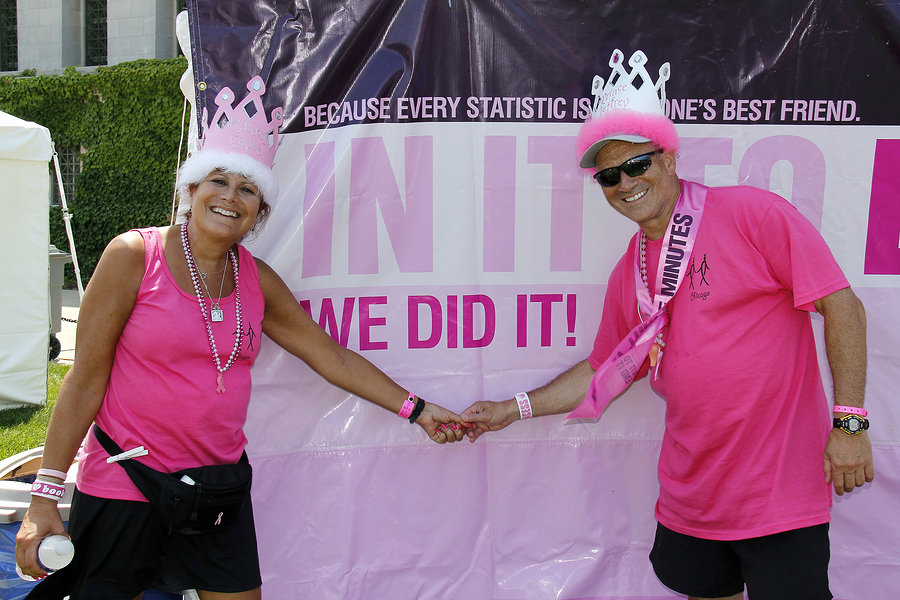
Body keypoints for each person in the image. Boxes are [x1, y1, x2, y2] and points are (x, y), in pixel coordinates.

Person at [15, 75, 467, 599]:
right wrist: (44, 498)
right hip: (125, 483)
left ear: (260, 212)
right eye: (218, 181)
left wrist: (417, 409)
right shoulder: (133, 257)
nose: (231, 197)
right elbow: (83, 382)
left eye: (247, 189)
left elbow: (330, 357)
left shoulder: (258, 279)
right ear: (191, 190)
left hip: (215, 490)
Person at [461, 49, 874, 600]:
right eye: (609, 175)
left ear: (670, 158)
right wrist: (511, 409)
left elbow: (841, 305)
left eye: (637, 163)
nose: (625, 182)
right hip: (690, 500)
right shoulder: (627, 272)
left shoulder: (753, 214)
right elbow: (603, 369)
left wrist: (849, 424)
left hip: (778, 495)